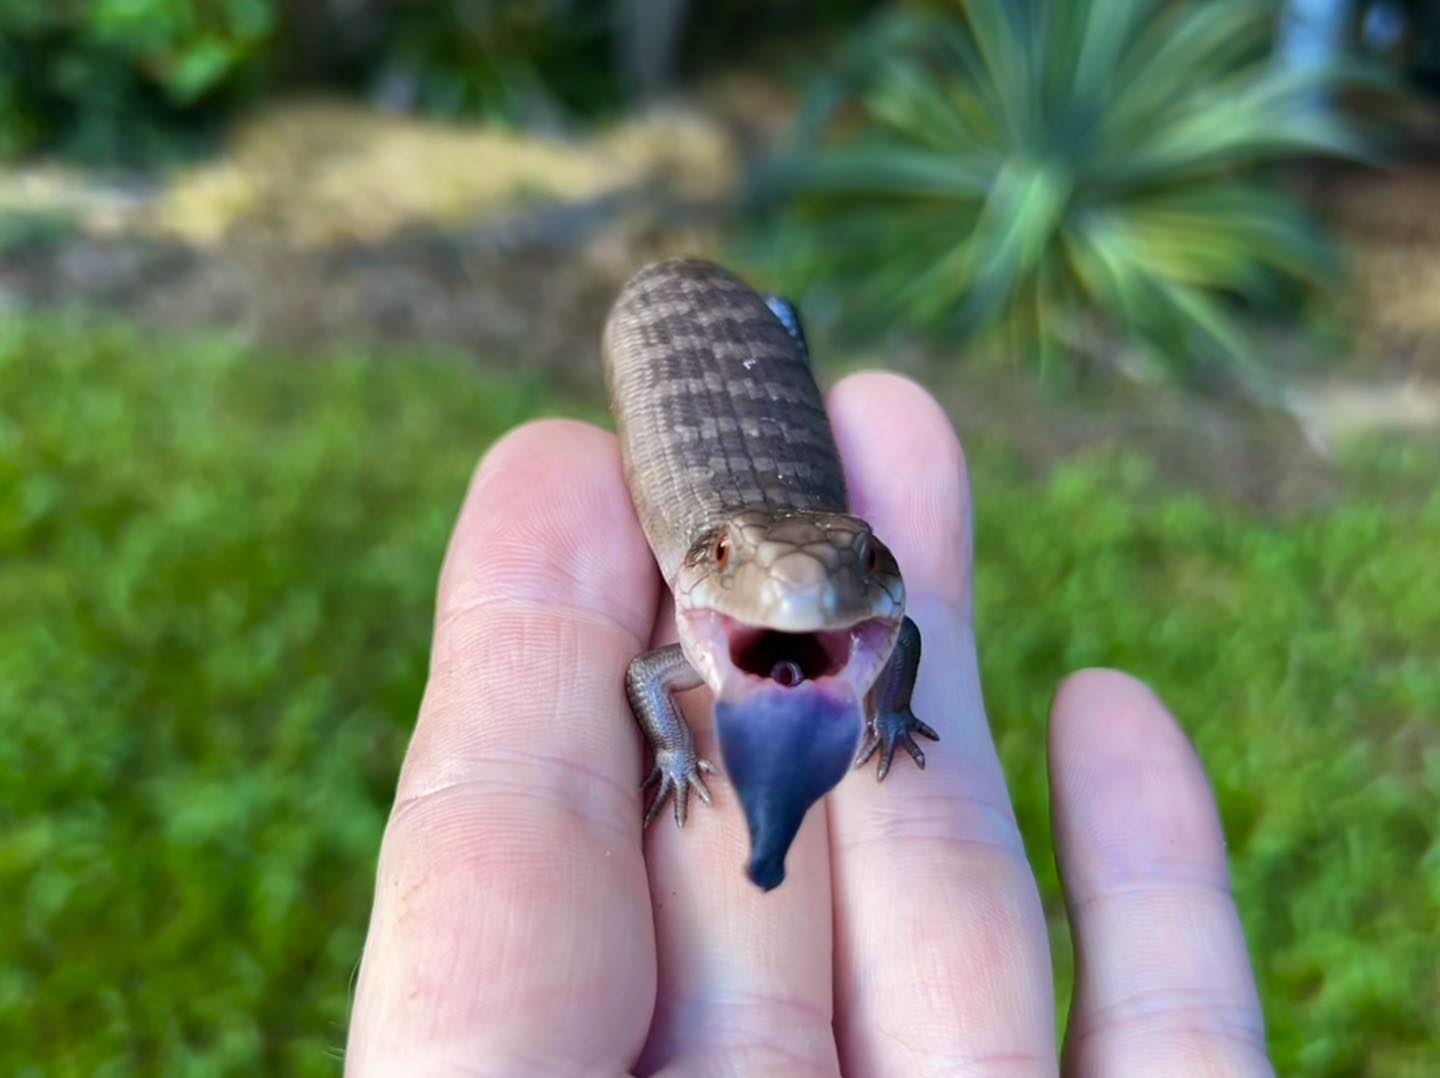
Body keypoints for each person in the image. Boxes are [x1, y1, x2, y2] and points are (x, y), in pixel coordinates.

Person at [345, 373, 1273, 1076]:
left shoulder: (870, 616)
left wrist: (893, 709)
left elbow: (895, 631)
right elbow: (649, 675)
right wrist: (674, 752)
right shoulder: (701, 631)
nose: (803, 610)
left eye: (860, 566)